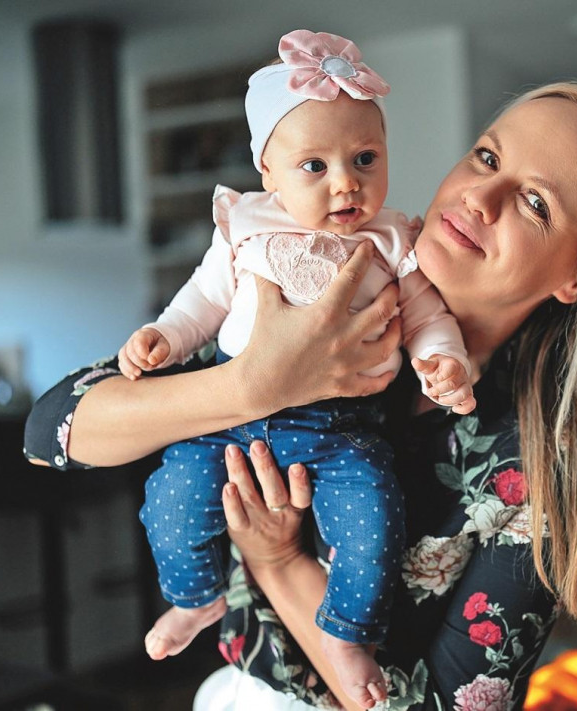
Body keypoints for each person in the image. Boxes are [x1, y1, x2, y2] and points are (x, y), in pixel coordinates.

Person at [25, 79, 577, 711]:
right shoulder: (325, 293)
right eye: (487, 157)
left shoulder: (542, 470)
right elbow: (50, 431)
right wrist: (251, 384)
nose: (479, 197)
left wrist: (278, 561)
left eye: (536, 203)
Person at [114, 29, 474, 707]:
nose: (346, 182)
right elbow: (203, 300)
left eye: (365, 158)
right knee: (172, 493)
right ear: (268, 173)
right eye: (315, 165)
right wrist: (165, 335)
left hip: (339, 430)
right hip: (229, 418)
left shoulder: (392, 239)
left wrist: (442, 361)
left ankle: (346, 634)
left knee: (373, 517)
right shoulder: (245, 225)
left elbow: (428, 315)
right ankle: (195, 597)